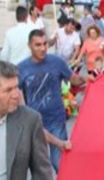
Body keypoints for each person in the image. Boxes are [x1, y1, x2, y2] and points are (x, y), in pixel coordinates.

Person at [19, 29, 85, 171]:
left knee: (60, 164)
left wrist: (89, 78)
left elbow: (73, 79)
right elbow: (17, 96)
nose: (43, 48)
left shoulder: (57, 62)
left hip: (56, 120)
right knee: (39, 167)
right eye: (38, 45)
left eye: (45, 44)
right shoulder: (21, 69)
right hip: (35, 124)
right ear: (29, 45)